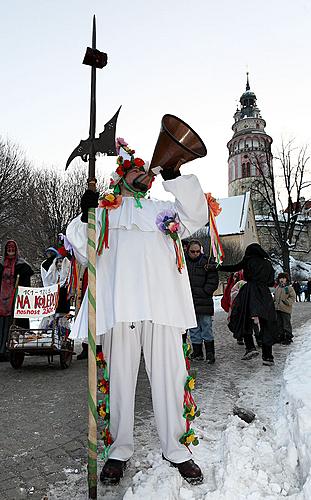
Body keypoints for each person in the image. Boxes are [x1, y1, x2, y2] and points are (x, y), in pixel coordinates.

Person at [66, 139, 208, 485]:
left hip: (162, 308)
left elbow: (197, 216)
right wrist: (85, 211)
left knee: (172, 380)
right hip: (120, 309)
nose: (143, 175)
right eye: (135, 171)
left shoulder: (164, 209)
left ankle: (177, 448)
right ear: (121, 177)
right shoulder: (105, 213)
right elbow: (79, 245)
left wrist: (173, 174)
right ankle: (119, 450)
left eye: (146, 171)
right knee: (117, 382)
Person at [219, 243, 277, 366]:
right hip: (264, 294)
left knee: (243, 319)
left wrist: (218, 267)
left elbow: (234, 267)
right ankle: (268, 356)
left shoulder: (248, 260)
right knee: (266, 323)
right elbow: (271, 282)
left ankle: (250, 347)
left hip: (250, 292)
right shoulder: (268, 263)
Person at [185, 240, 219, 363]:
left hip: (204, 300)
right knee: (194, 328)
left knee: (206, 327)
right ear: (188, 251)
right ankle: (198, 352)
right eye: (192, 251)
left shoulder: (207, 262)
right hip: (189, 301)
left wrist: (205, 292)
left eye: (197, 251)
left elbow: (213, 280)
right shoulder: (183, 262)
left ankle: (210, 353)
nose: (195, 254)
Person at [0, 240, 33, 361]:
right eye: (8, 247)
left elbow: (26, 283)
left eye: (13, 247)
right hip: (2, 301)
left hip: (15, 300)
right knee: (2, 324)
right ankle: (1, 350)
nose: (10, 249)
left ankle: (12, 351)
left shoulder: (22, 265)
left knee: (14, 324)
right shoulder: (1, 264)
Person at [274, 272, 295, 345]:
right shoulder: (277, 287)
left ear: (286, 279)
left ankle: (288, 337)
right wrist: (273, 302)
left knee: (286, 324)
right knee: (279, 324)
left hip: (286, 309)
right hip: (278, 309)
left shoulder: (289, 288)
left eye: (283, 278)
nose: (281, 280)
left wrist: (287, 302)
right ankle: (281, 336)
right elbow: (275, 297)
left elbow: (293, 297)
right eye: (280, 278)